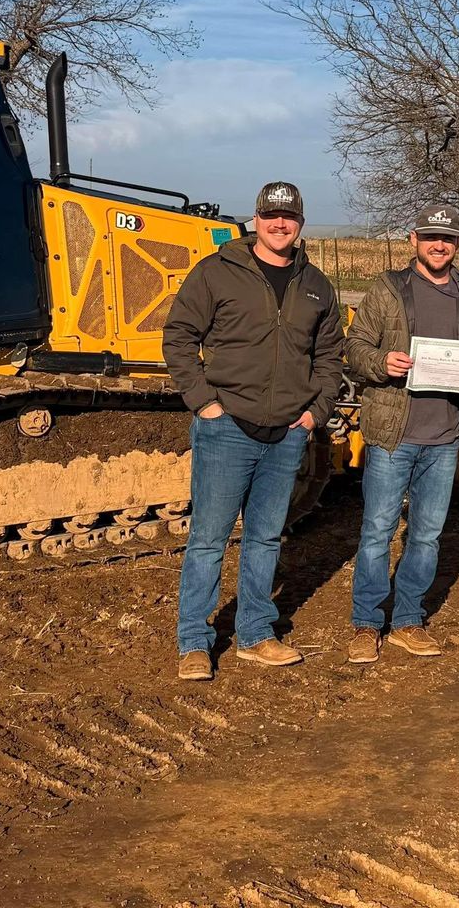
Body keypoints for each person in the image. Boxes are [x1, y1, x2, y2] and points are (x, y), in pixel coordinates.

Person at [163, 182, 344, 680]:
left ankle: (255, 634)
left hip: (287, 432)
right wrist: (204, 402)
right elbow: (179, 336)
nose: (279, 224)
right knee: (208, 540)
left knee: (265, 538)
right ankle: (195, 643)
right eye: (270, 216)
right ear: (256, 219)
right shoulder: (218, 273)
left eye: (288, 217)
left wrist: (315, 413)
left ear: (300, 223)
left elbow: (330, 356)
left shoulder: (316, 285)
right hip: (227, 428)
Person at [345, 204, 459, 663]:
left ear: (457, 246)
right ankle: (367, 623)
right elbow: (354, 347)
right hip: (393, 435)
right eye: (432, 236)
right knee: (377, 531)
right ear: (414, 240)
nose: (440, 245)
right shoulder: (388, 290)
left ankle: (409, 620)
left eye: (449, 238)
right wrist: (381, 364)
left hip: (445, 437)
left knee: (427, 535)